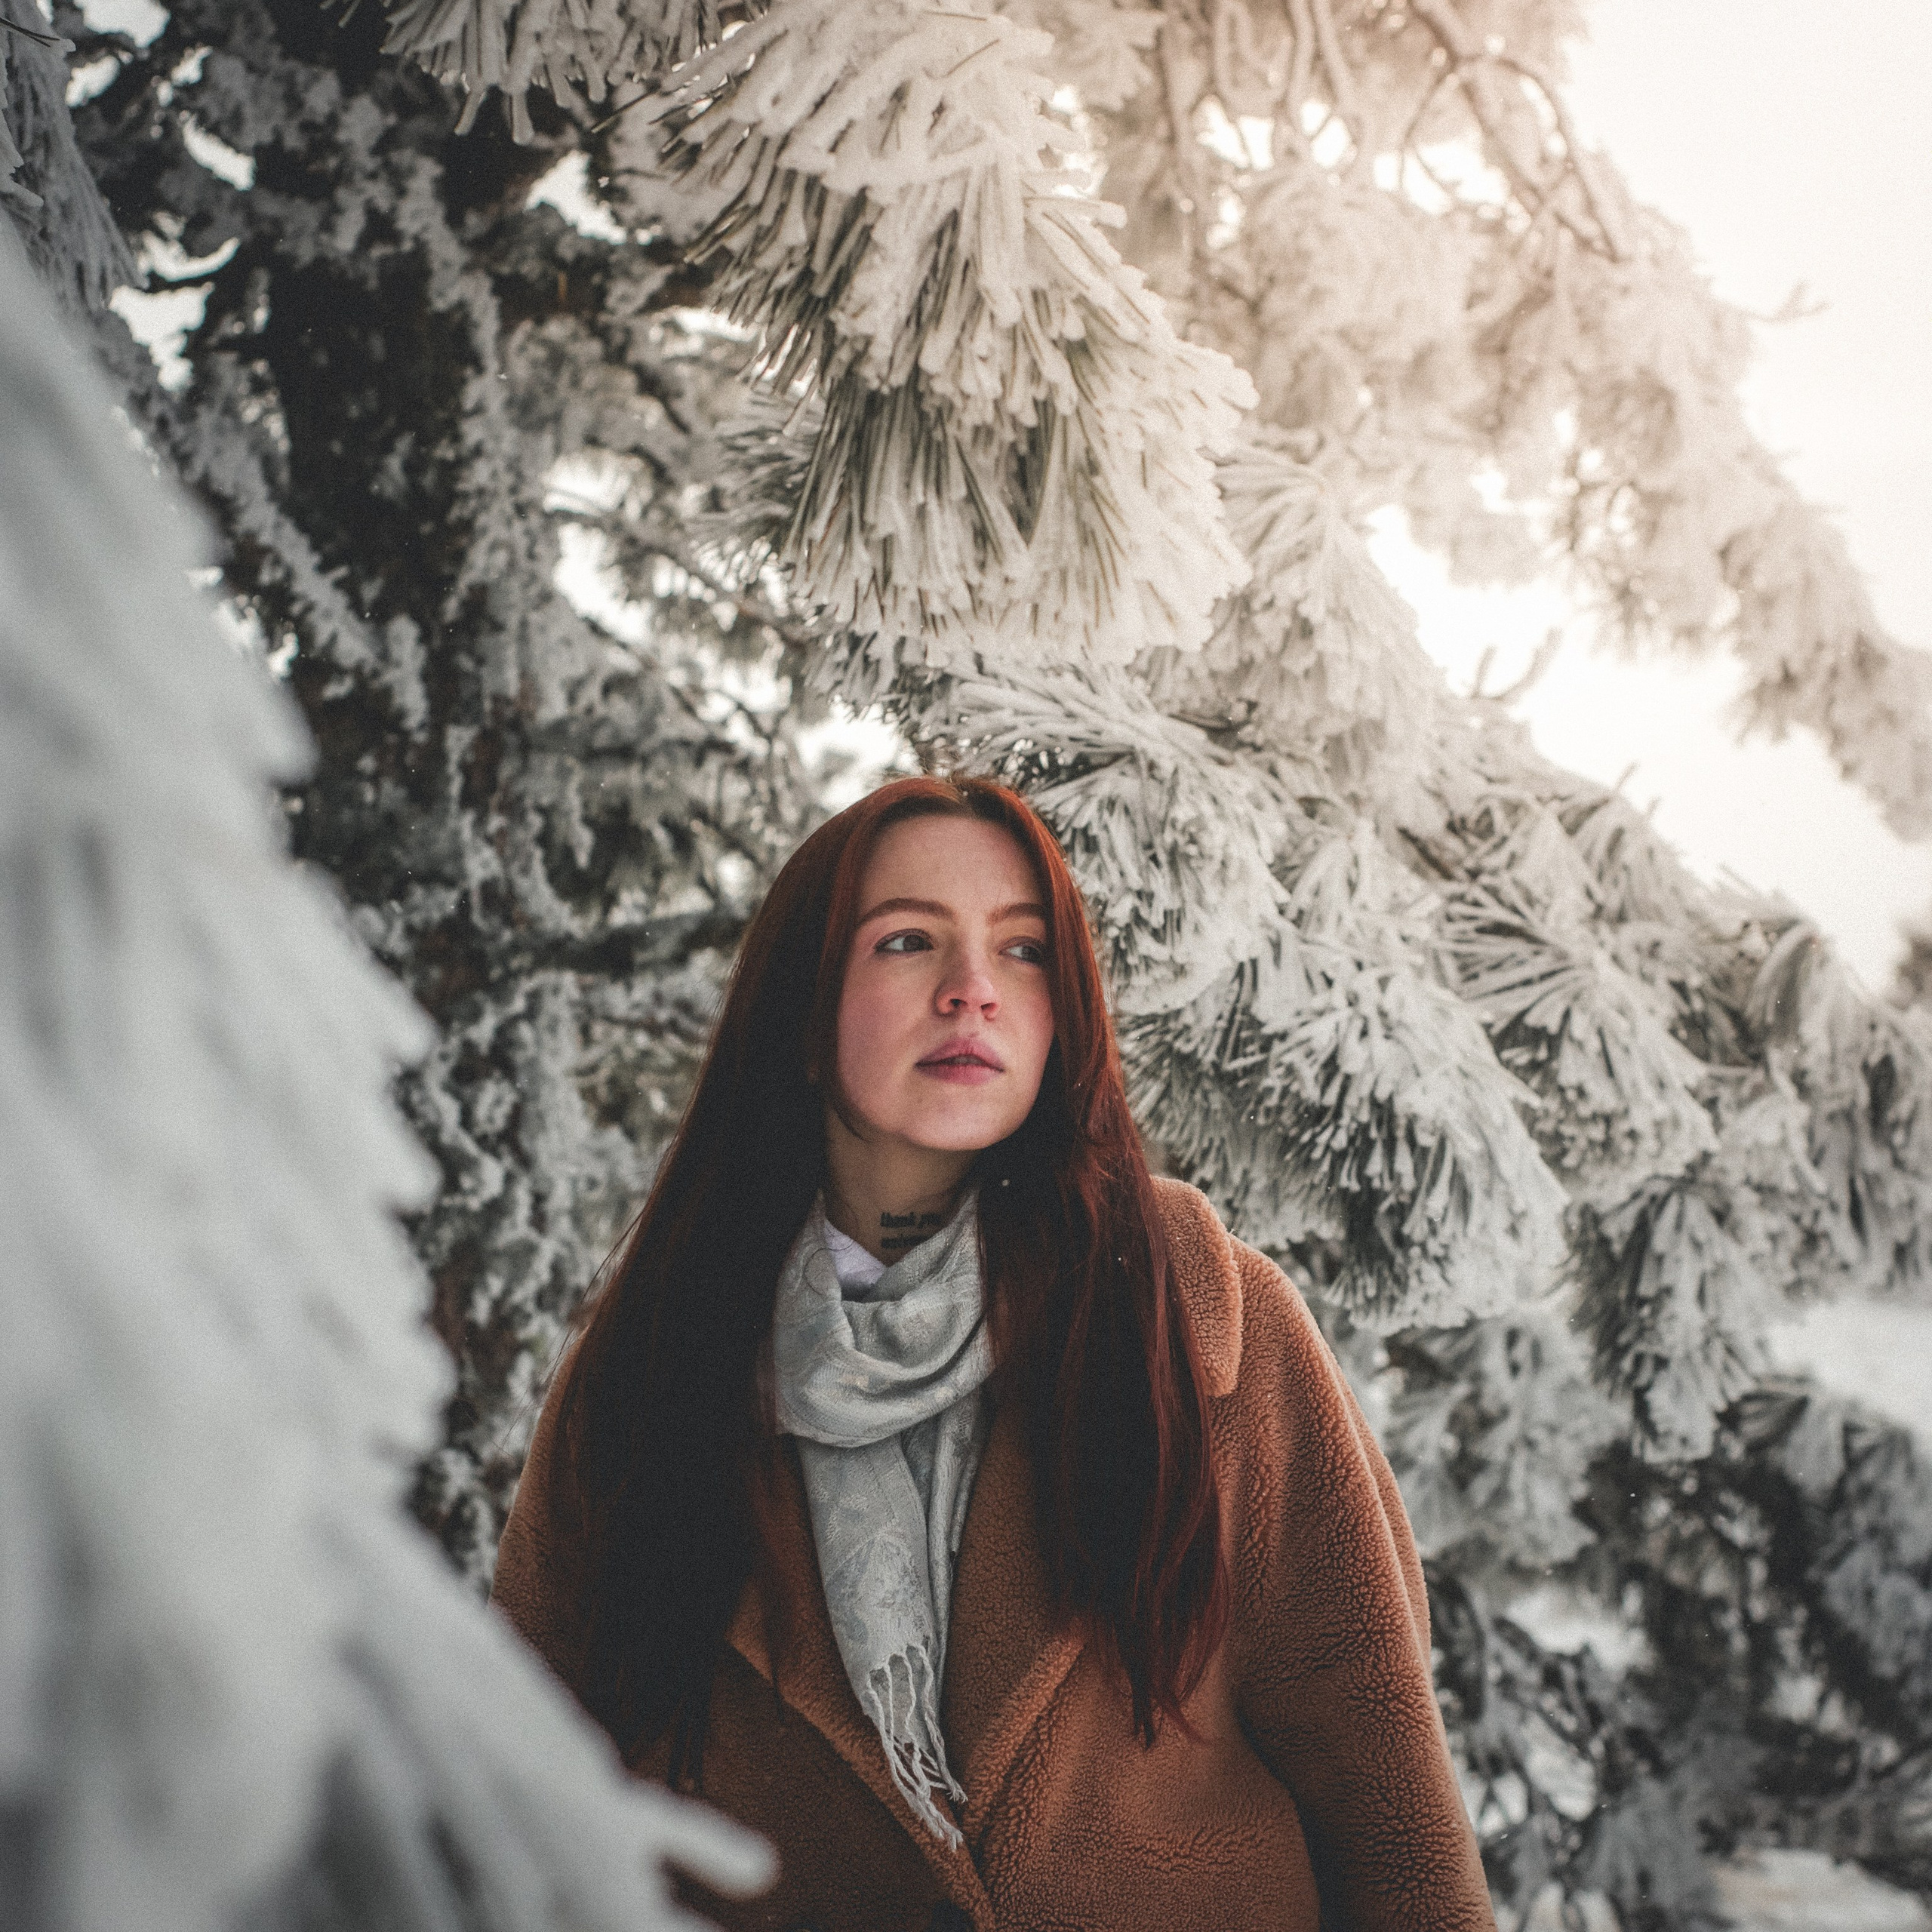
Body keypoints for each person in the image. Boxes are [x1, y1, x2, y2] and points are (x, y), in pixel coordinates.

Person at [491, 774, 1495, 1932]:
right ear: (801, 1011)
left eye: (1023, 953)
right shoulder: (662, 1357)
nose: (973, 992)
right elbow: (529, 1795)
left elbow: (1393, 1815)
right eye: (908, 941)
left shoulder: (1205, 1321)